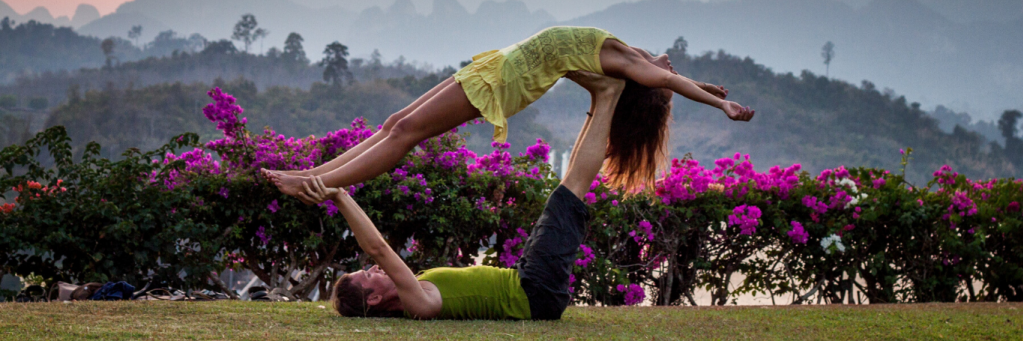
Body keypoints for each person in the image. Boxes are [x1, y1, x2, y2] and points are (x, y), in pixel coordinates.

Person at [302, 72, 658, 319]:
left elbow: (378, 254)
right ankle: (608, 95)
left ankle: (602, 97)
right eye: (367, 275)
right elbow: (378, 247)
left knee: (565, 192)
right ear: (375, 298)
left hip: (528, 282)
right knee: (570, 193)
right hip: (535, 293)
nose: (372, 268)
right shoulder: (417, 304)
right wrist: (339, 194)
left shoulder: (418, 292)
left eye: (366, 269)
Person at [264, 26, 754, 204]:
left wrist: (720, 104)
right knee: (396, 121)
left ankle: (319, 186)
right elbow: (674, 78)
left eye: (669, 74)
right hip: (498, 66)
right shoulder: (632, 56)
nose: (671, 65)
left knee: (406, 133)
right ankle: (311, 175)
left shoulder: (637, 69)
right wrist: (708, 87)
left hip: (504, 83)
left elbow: (668, 81)